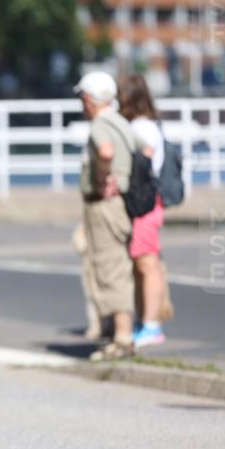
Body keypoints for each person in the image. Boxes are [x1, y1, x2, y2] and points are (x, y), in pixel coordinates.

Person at [74, 71, 151, 362]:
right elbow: (147, 149)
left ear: (90, 99)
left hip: (105, 205)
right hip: (121, 206)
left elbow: (105, 152)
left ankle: (121, 337)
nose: (82, 103)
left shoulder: (100, 125)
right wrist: (127, 177)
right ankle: (122, 334)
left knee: (109, 267)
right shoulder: (121, 122)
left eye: (83, 97)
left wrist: (108, 177)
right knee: (118, 264)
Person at [117, 74, 167, 348]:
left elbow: (142, 162)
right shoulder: (142, 125)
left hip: (145, 202)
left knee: (148, 263)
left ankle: (151, 324)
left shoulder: (142, 128)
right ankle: (145, 320)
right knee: (142, 263)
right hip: (145, 201)